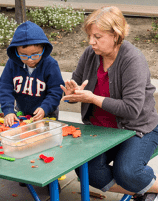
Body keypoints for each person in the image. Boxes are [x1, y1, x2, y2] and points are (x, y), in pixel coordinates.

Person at [60, 6, 158, 201]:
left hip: (136, 127)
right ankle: (145, 191)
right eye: (90, 36)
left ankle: (148, 185)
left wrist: (92, 98)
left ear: (116, 35)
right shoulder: (90, 54)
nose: (91, 42)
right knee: (86, 169)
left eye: (97, 36)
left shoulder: (133, 59)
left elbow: (132, 109)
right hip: (102, 128)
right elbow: (78, 86)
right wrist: (73, 93)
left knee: (127, 172)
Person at [0, 21, 64, 127]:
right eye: (23, 55)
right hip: (22, 113)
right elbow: (5, 87)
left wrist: (45, 108)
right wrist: (8, 110)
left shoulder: (51, 65)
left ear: (43, 48)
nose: (30, 60)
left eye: (35, 55)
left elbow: (56, 91)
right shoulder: (12, 64)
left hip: (46, 114)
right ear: (16, 51)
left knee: (43, 139)